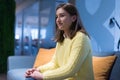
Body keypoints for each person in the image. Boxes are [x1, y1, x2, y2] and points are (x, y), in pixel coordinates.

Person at [25, 3, 94, 80]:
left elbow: (70, 70)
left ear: (73, 18)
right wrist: (38, 70)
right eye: (57, 17)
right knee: (30, 78)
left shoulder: (81, 38)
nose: (57, 20)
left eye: (62, 16)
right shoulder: (62, 38)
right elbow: (55, 64)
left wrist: (43, 76)